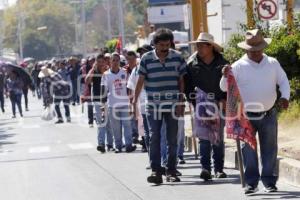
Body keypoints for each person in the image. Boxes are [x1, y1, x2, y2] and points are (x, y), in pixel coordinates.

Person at [220, 29, 290, 194]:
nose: (256, 53)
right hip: (246, 116)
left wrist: (285, 97)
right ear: (246, 49)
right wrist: (224, 76)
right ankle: (251, 183)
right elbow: (224, 88)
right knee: (248, 150)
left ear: (263, 48)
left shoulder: (272, 63)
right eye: (252, 50)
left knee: (270, 149)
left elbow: (283, 80)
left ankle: (269, 182)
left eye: (259, 49)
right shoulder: (237, 66)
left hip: (268, 113)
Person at [133, 28, 186, 184]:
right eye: (161, 45)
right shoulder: (146, 59)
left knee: (172, 139)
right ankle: (156, 170)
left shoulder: (177, 58)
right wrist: (134, 101)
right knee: (154, 137)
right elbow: (140, 81)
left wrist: (181, 102)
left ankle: (171, 170)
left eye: (167, 44)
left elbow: (181, 81)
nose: (164, 48)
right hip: (153, 106)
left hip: (172, 105)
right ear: (155, 44)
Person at [185, 32, 228, 181]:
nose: (198, 48)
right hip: (200, 105)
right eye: (197, 45)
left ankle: (219, 169)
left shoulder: (223, 63)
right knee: (203, 138)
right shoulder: (191, 64)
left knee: (217, 138)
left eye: (202, 45)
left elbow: (230, 84)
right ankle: (205, 168)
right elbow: (187, 86)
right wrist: (193, 101)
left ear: (210, 47)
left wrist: (224, 99)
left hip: (219, 104)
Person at [100, 53, 136, 153]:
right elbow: (103, 91)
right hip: (112, 104)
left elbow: (130, 87)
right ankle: (118, 146)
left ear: (119, 61)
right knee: (115, 127)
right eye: (113, 60)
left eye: (117, 60)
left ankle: (128, 145)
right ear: (110, 61)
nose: (115, 62)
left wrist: (131, 101)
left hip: (125, 103)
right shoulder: (106, 75)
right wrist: (103, 106)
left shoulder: (124, 73)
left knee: (127, 124)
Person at [86, 54, 114, 153]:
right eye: (99, 62)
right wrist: (93, 70)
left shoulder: (108, 71)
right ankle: (101, 144)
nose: (101, 63)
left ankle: (110, 144)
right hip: (97, 101)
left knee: (109, 124)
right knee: (100, 123)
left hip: (108, 100)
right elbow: (87, 81)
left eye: (102, 61)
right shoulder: (94, 71)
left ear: (105, 62)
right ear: (96, 62)